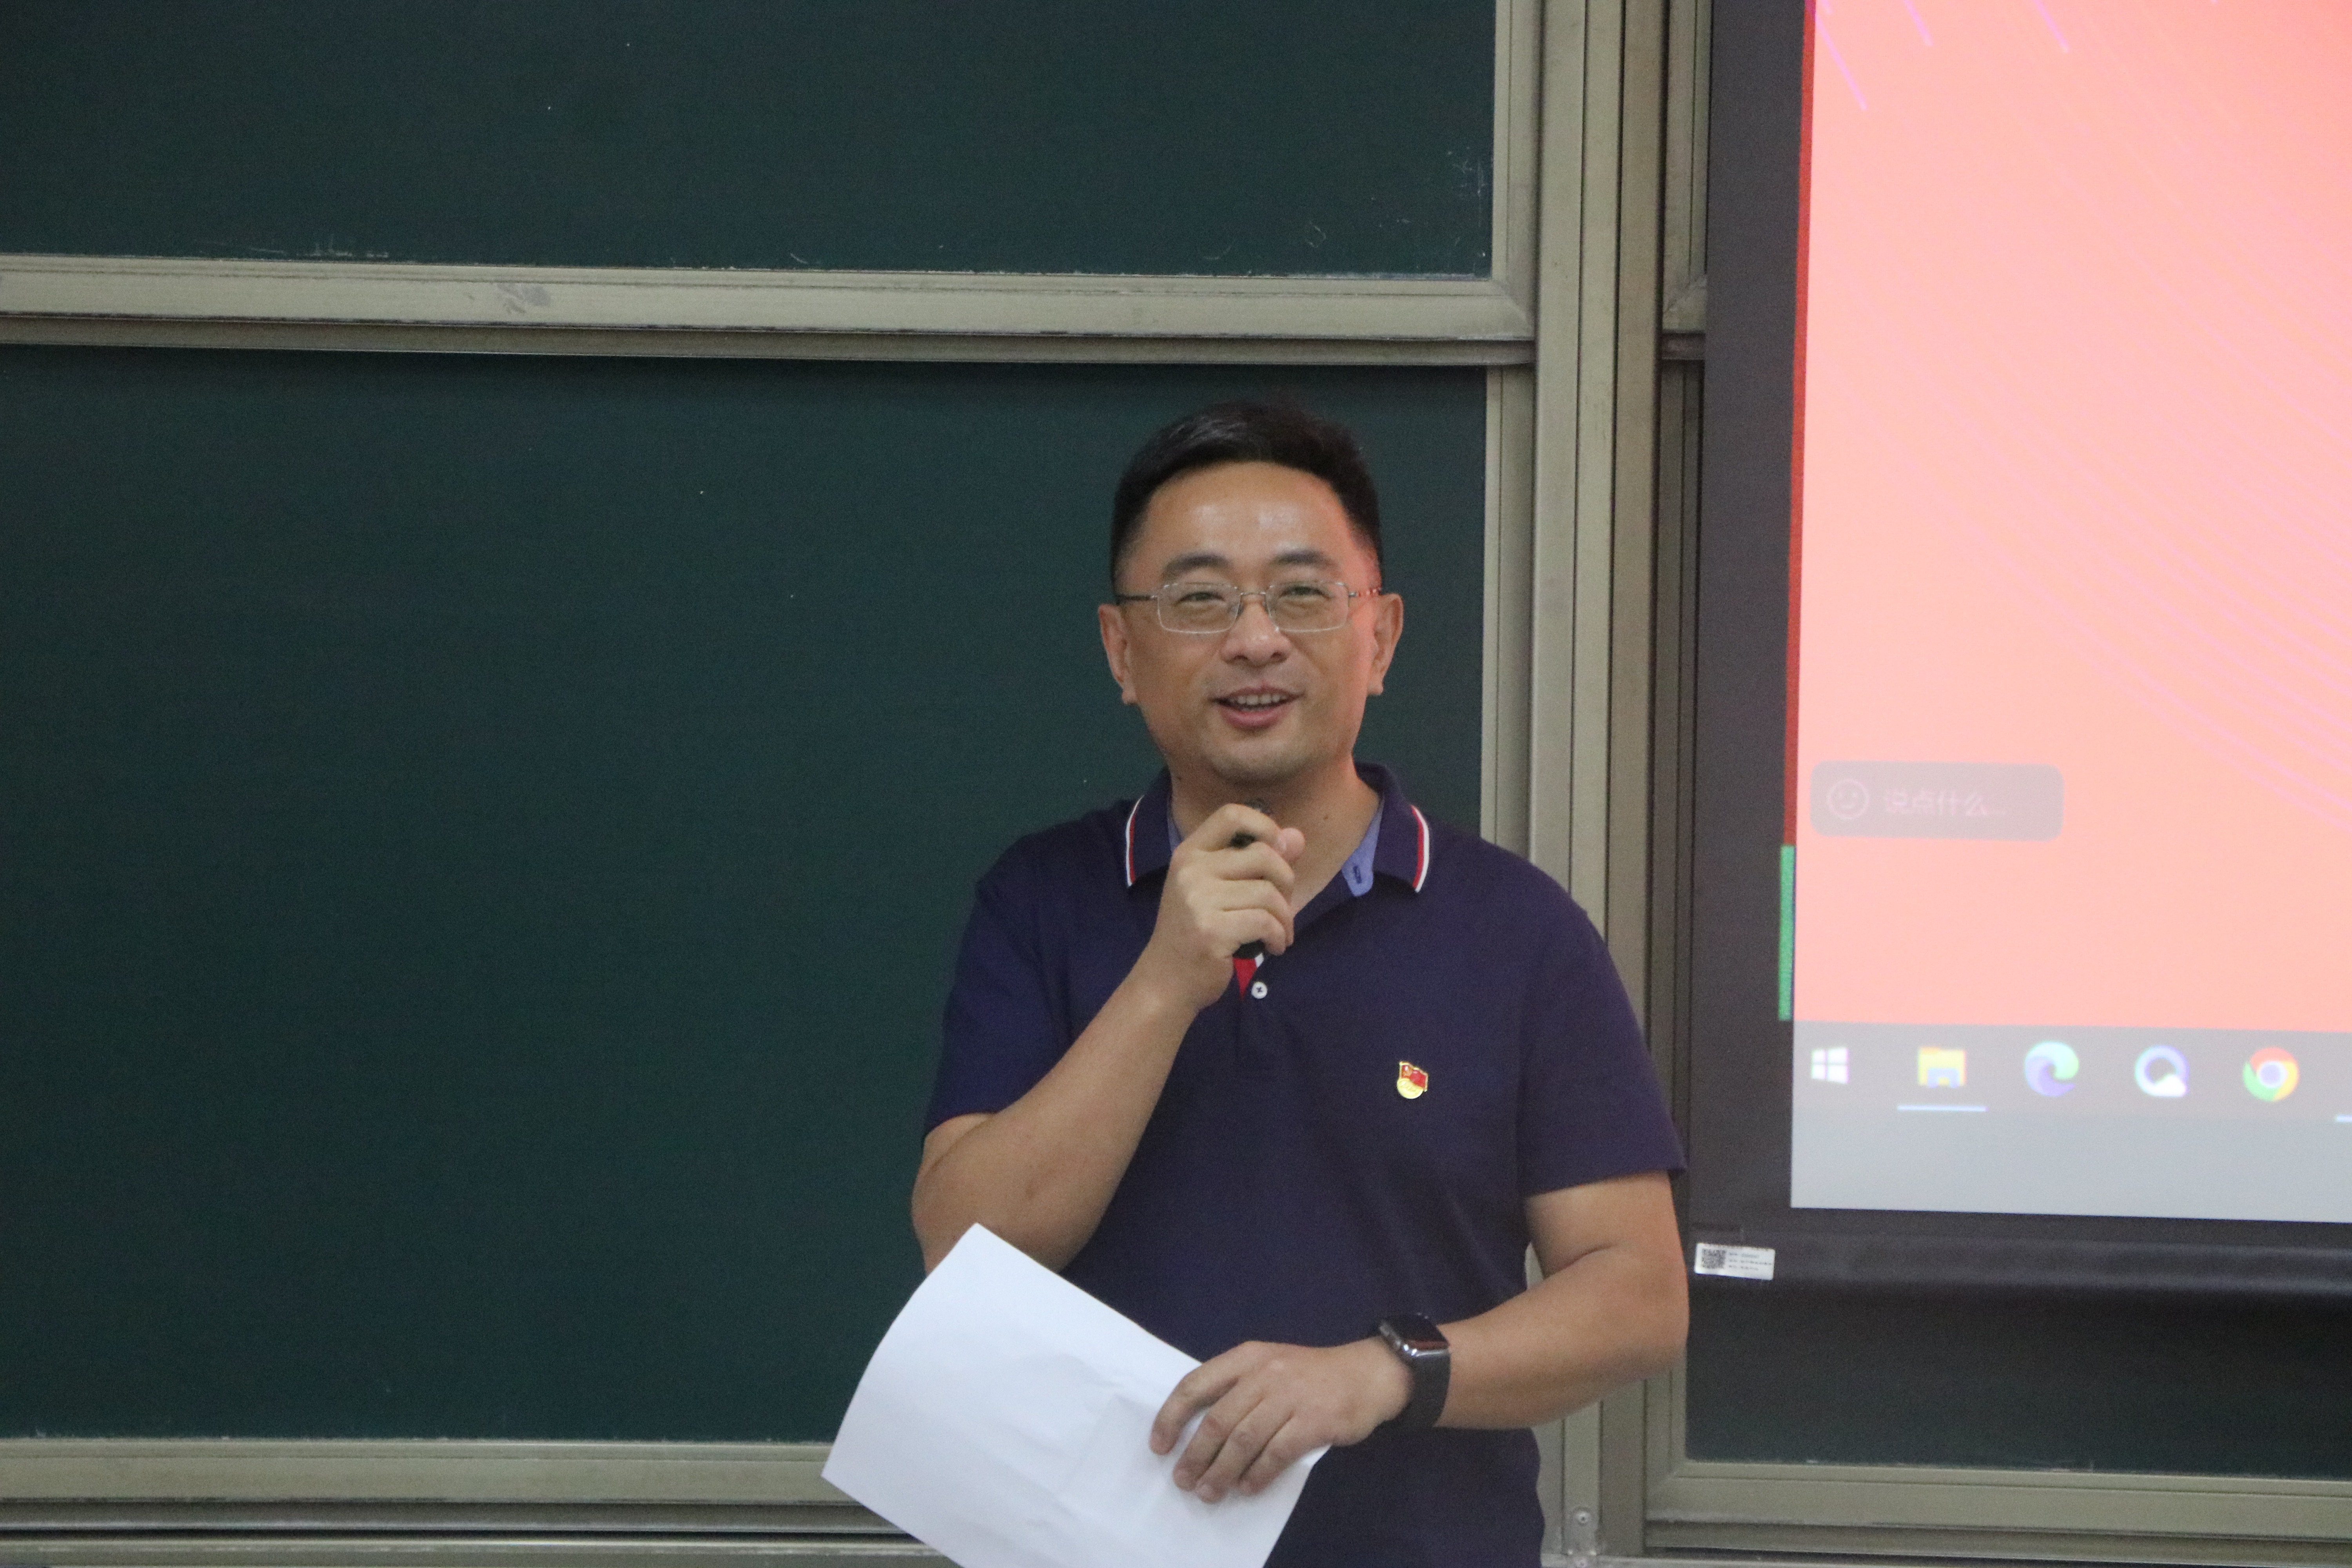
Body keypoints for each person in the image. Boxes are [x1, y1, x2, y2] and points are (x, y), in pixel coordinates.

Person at [911, 401, 1686, 1567]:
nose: (1256, 640)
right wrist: (1166, 979)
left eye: (1303, 594)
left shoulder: (1518, 930)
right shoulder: (1041, 901)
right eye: (1200, 600)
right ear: (1123, 652)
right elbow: (966, 1248)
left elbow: (1637, 1296)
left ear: (1381, 637)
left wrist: (1384, 1372)